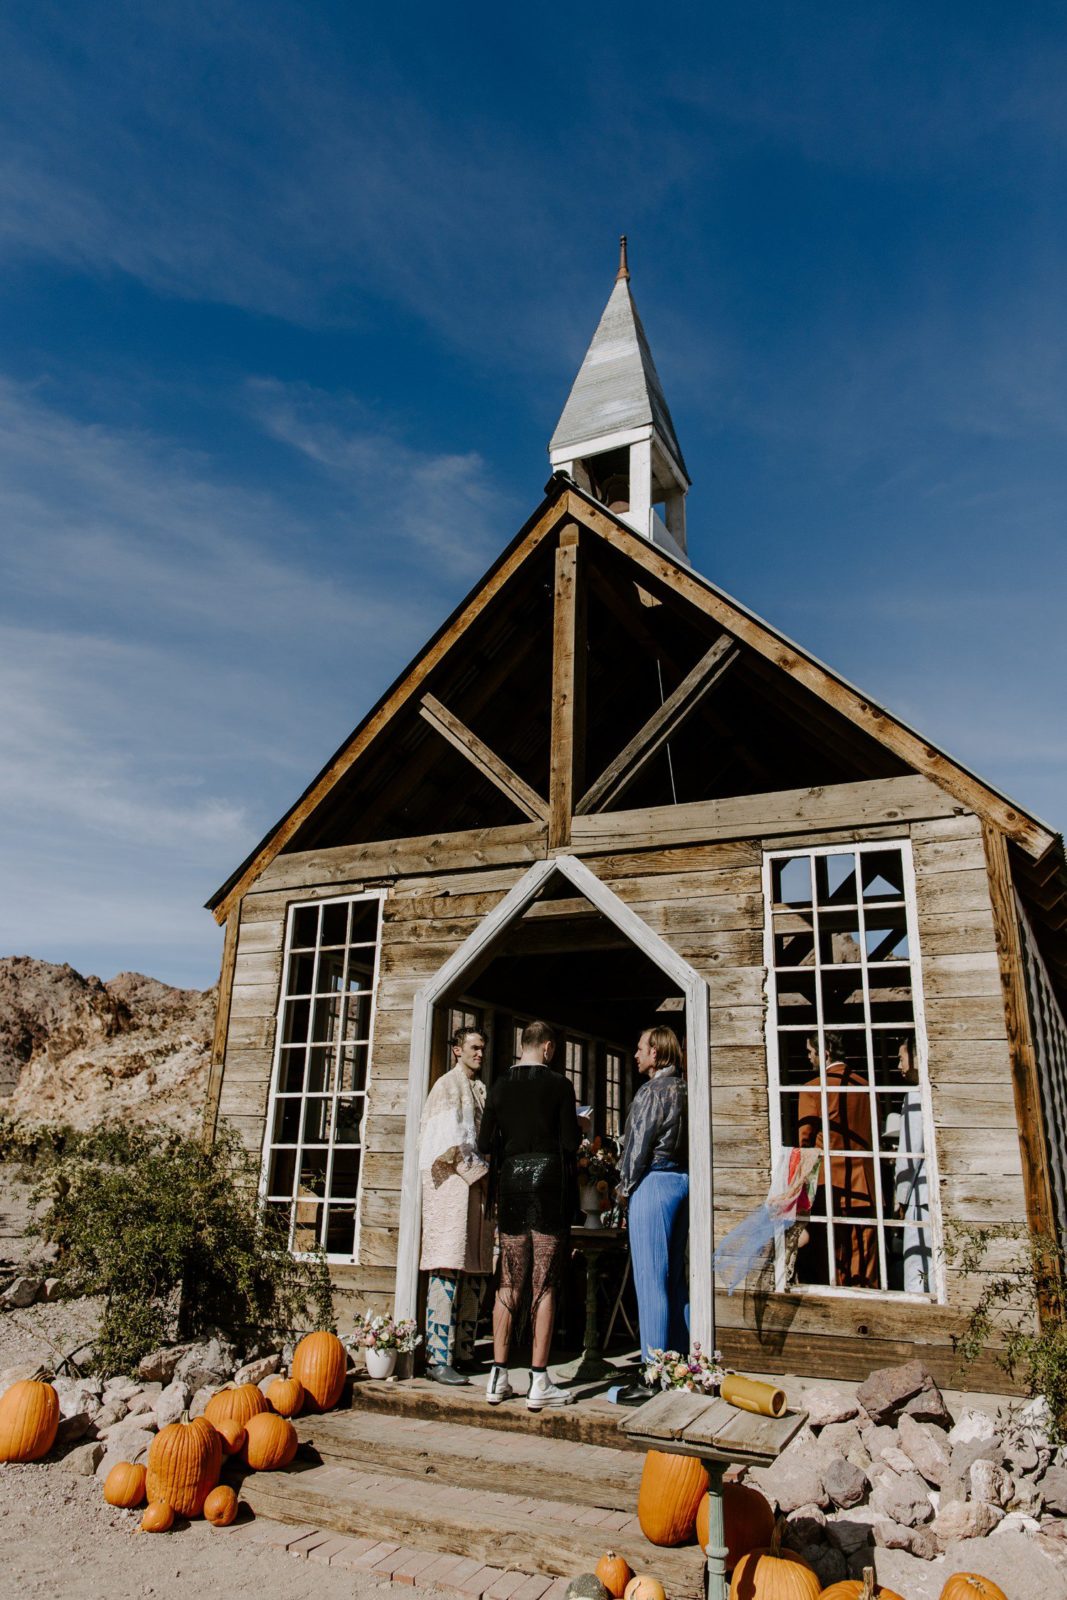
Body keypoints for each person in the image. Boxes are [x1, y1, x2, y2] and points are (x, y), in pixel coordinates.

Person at [476, 1020, 581, 1411]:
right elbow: (570, 1142)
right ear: (549, 1047)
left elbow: (485, 1142)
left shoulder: (500, 1085)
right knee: (544, 1281)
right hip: (549, 1184)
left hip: (512, 1185)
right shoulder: (559, 1085)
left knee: (509, 1279)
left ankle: (498, 1374)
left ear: (524, 1045)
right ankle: (539, 1379)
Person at [615, 1026, 689, 1406]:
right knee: (675, 1280)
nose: (636, 1054)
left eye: (641, 1048)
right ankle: (681, 1363)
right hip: (683, 1182)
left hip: (654, 1182)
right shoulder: (686, 1089)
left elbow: (637, 1148)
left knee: (650, 1281)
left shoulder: (652, 1092)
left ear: (657, 1054)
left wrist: (623, 1190)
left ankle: (652, 1373)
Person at [417, 1026, 494, 1384]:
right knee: (446, 1264)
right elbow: (449, 1142)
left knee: (475, 1266)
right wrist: (480, 1171)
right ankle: (437, 1356)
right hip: (451, 1189)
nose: (480, 1053)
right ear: (457, 1050)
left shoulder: (479, 1089)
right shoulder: (447, 1086)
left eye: (482, 1048)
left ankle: (465, 1349)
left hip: (476, 1189)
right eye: (474, 1048)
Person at [797, 1032, 878, 1289]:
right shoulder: (866, 1086)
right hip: (865, 1183)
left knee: (833, 1258)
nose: (809, 1058)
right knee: (866, 1257)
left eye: (811, 1052)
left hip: (830, 1185)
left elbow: (805, 1144)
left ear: (826, 1052)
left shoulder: (813, 1089)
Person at [893, 1032, 931, 1293]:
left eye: (902, 1058)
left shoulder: (916, 1095)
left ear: (916, 1057)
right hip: (932, 1192)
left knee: (918, 1265)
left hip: (920, 1194)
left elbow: (910, 1150)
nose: (899, 1066)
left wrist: (900, 1196)